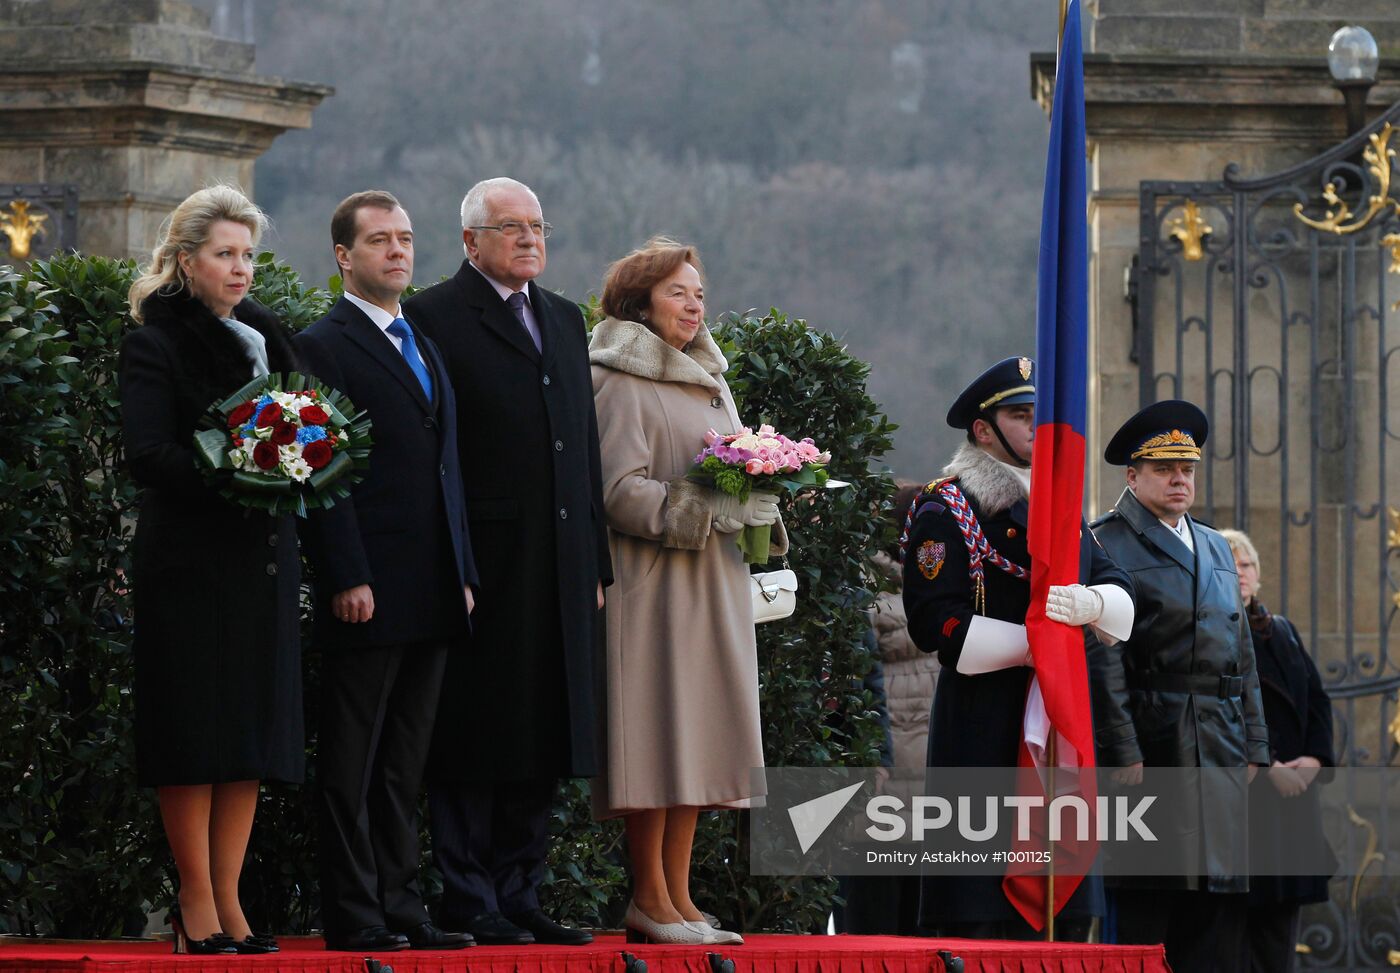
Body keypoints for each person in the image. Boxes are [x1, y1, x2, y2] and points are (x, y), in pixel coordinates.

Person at [405, 177, 610, 947]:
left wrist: (596, 560)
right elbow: (437, 450)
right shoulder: (432, 316)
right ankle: (469, 895)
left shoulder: (561, 317)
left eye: (537, 226)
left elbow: (581, 445)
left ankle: (521, 891)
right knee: (476, 730)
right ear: (470, 242)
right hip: (483, 560)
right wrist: (448, 560)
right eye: (510, 227)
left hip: (560, 561)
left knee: (546, 730)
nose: (529, 238)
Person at [120, 185, 302, 955]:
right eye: (225, 254)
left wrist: (302, 459)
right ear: (186, 259)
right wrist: (237, 465)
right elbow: (149, 454)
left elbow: (304, 428)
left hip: (259, 562)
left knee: (250, 737)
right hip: (188, 565)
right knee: (194, 732)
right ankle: (195, 898)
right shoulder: (154, 341)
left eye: (248, 255)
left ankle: (231, 897)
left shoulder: (268, 336)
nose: (240, 269)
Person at [295, 191, 476, 952]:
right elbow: (318, 467)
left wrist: (462, 567)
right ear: (344, 256)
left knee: (405, 762)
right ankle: (354, 912)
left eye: (404, 239)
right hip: (365, 585)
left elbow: (446, 468)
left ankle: (402, 905)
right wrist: (344, 572)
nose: (398, 252)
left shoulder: (422, 340)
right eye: (379, 241)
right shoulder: (321, 344)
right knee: (351, 759)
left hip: (435, 583)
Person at [589, 237, 783, 946]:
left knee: (701, 740)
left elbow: (732, 467)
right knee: (659, 738)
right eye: (679, 291)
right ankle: (649, 898)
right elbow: (616, 491)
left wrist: (764, 493)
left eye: (699, 291)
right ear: (640, 301)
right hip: (653, 585)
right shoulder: (615, 377)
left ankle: (681, 896)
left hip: (714, 582)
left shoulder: (709, 376)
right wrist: (704, 507)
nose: (696, 303)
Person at [901, 357, 1134, 940]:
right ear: (983, 430)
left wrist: (1093, 605)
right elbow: (937, 623)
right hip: (984, 724)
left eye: (1039, 414)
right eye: (1019, 415)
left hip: (1059, 718)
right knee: (980, 912)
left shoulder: (1058, 507)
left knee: (1064, 913)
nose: (1036, 426)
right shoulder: (947, 506)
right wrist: (1039, 647)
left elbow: (1122, 592)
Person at [1087, 399, 1270, 972]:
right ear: (1132, 476)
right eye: (1165, 470)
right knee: (1148, 902)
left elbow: (1241, 654)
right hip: (1154, 735)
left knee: (1212, 910)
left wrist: (1256, 746)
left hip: (1218, 741)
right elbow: (1104, 654)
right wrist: (1120, 747)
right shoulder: (1105, 543)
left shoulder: (1215, 546)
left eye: (1187, 469)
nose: (1179, 480)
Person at [1220, 528, 1336, 973]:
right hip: (1247, 800)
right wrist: (1267, 766)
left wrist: (1314, 760)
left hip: (1292, 806)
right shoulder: (1211, 634)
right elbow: (1221, 710)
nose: (1240, 573)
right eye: (1230, 565)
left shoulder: (1282, 631)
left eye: (1246, 564)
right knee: (1233, 939)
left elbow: (1317, 701)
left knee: (1278, 939)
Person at [835, 480, 935, 936]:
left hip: (928, 762)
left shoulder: (946, 580)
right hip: (890, 758)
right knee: (876, 918)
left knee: (923, 922)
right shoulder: (866, 586)